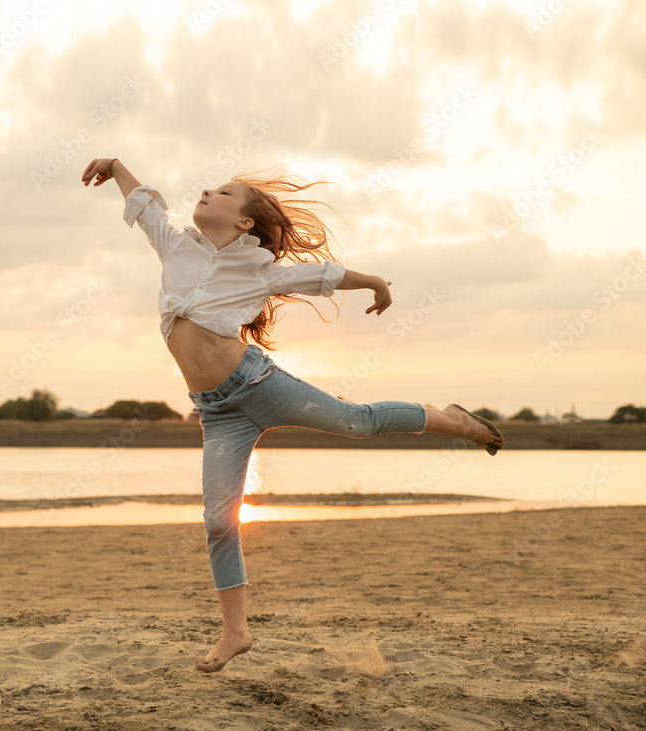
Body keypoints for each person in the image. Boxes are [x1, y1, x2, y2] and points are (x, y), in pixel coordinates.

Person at [80, 157, 504, 673]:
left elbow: (317, 275)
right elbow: (147, 205)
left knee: (357, 421)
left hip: (259, 385)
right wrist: (117, 166)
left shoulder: (256, 267)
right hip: (217, 414)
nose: (208, 193)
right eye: (209, 188)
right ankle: (236, 632)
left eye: (223, 193)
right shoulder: (175, 246)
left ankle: (453, 420)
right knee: (218, 521)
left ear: (244, 223)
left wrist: (375, 281)